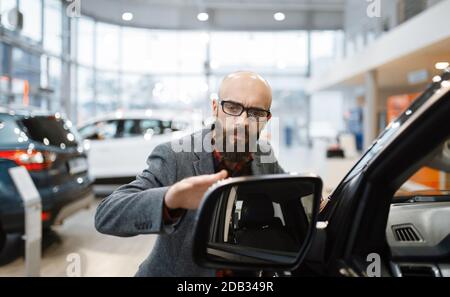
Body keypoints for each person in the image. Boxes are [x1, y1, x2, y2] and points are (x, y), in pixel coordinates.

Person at [94, 71, 284, 276]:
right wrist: (169, 199)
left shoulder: (264, 154)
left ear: (267, 118)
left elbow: (290, 190)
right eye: (232, 107)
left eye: (255, 113)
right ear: (215, 108)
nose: (242, 122)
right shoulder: (175, 156)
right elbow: (106, 215)